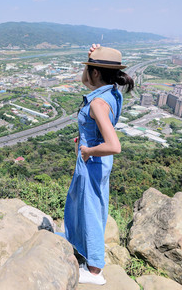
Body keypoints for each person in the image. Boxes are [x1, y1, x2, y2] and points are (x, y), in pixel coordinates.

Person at [64, 44, 134, 285]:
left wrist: (88, 149)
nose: (88, 75)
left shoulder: (97, 103)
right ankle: (81, 246)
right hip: (100, 162)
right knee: (86, 204)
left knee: (90, 209)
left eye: (90, 69)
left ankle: (94, 271)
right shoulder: (112, 92)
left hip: (92, 160)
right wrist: (90, 58)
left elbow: (114, 144)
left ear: (96, 73)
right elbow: (87, 82)